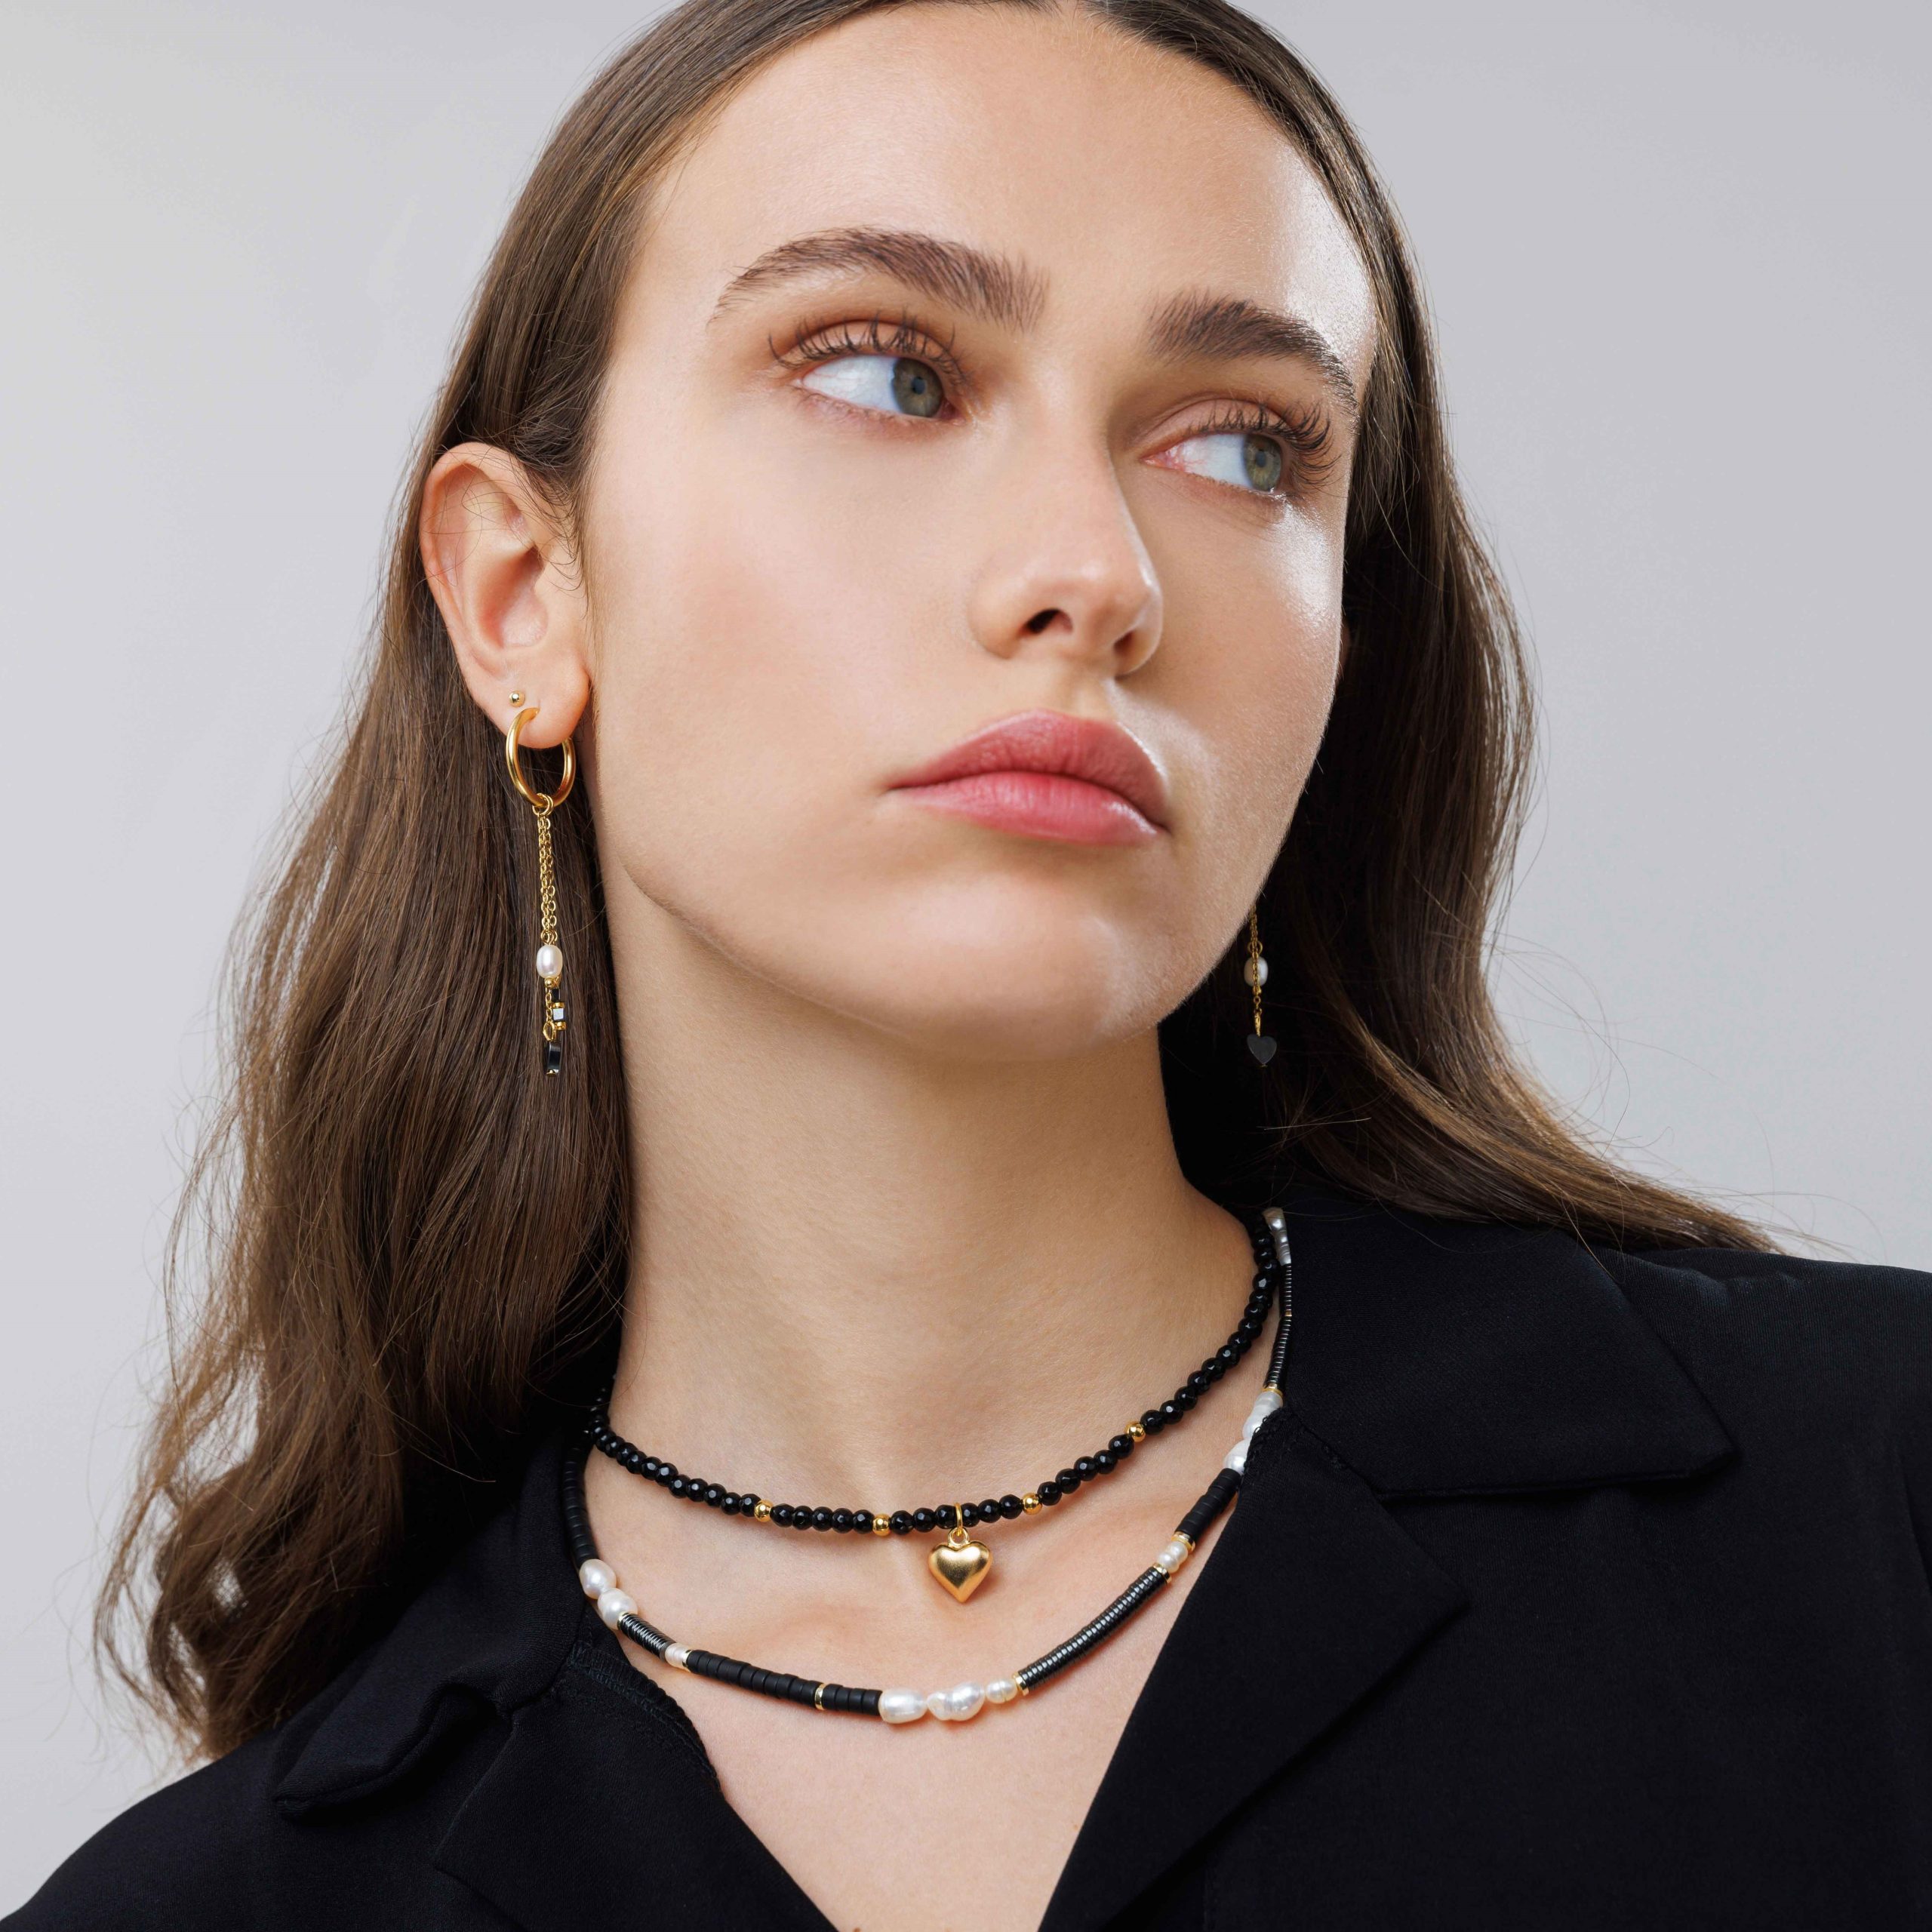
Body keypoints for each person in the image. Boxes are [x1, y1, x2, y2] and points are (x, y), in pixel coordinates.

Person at [13, 0, 1932, 1925]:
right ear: (522, 592)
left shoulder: (1878, 1511)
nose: (1094, 572)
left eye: (1243, 444)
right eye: (887, 374)